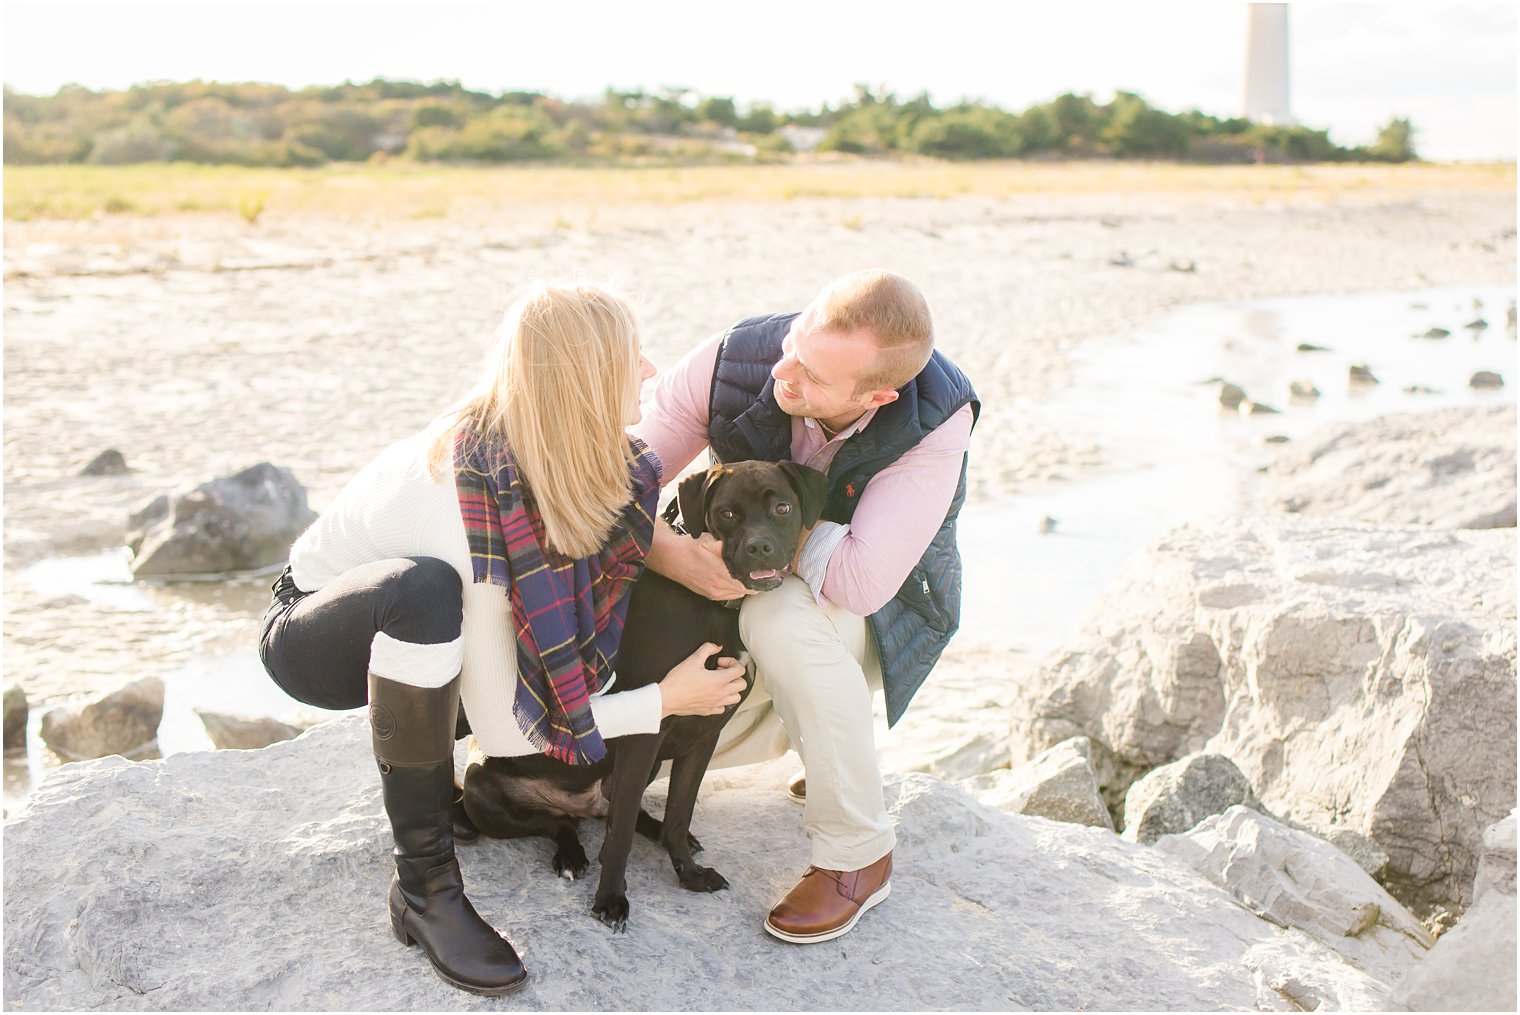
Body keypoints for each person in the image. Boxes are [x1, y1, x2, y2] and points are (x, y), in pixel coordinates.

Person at [258, 282, 747, 996]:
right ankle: (425, 890)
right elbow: (509, 730)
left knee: (461, 616)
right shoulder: (468, 501)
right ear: (581, 381)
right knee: (428, 592)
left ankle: (442, 789)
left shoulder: (561, 452)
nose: (649, 370)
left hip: (427, 643)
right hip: (316, 635)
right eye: (630, 356)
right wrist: (664, 699)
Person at [630, 269, 978, 945]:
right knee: (658, 604)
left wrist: (750, 534)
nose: (782, 373)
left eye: (813, 375)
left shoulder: (934, 418)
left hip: (874, 621)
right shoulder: (734, 360)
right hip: (763, 578)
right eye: (794, 344)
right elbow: (616, 480)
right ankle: (819, 755)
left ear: (878, 395)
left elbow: (859, 578)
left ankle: (857, 853)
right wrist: (671, 550)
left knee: (773, 613)